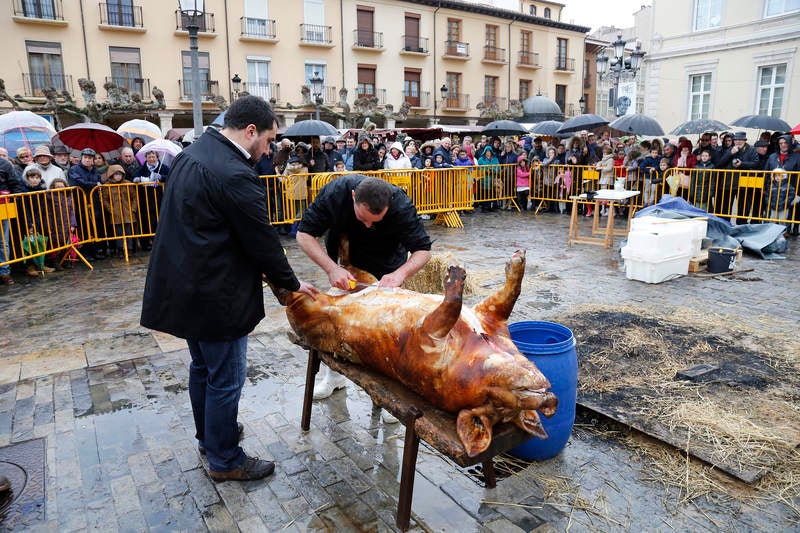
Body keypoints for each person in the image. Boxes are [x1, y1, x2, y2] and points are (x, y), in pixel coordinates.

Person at [141, 95, 318, 482]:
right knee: (225, 379)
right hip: (215, 296)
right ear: (251, 131)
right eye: (269, 141)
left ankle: (210, 436)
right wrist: (290, 285)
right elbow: (262, 242)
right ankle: (224, 460)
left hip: (185, 287)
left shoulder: (194, 153)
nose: (269, 151)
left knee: (203, 369)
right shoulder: (234, 172)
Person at [295, 175, 432, 416]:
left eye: (375, 221)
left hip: (387, 268)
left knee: (387, 332)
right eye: (362, 218)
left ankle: (389, 395)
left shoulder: (401, 205)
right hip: (345, 264)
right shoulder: (335, 193)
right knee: (335, 320)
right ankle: (334, 378)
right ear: (353, 197)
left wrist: (399, 274)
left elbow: (423, 250)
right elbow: (304, 235)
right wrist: (331, 268)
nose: (368, 226)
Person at [68, 148, 107, 260]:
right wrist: (95, 184)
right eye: (85, 157)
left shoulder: (95, 170)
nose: (87, 160)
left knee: (96, 225)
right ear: (82, 158)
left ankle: (96, 251)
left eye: (90, 158)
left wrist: (97, 184)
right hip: (80, 201)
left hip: (94, 201)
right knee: (84, 226)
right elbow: (80, 182)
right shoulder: (74, 169)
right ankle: (86, 252)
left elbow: (99, 180)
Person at [99, 165, 138, 257]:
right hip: (115, 213)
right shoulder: (107, 186)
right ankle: (120, 249)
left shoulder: (127, 183)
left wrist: (133, 209)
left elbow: (134, 197)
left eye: (120, 174)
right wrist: (110, 210)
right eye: (116, 174)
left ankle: (130, 249)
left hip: (128, 212)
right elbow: (104, 199)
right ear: (111, 175)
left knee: (129, 232)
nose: (118, 176)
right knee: (118, 233)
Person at [0, 153, 23, 284]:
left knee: (3, 241)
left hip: (3, 208)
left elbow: (16, 186)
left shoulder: (4, 164)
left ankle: (4, 272)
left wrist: (12, 201)